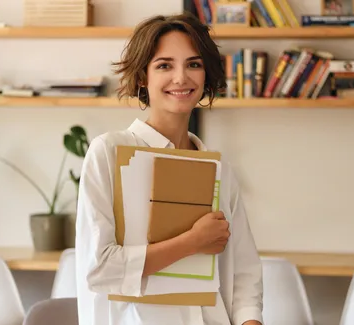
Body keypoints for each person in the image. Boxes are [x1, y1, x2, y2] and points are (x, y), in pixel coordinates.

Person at [75, 12, 263, 325]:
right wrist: (192, 242)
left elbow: (245, 273)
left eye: (194, 64)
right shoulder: (108, 152)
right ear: (142, 78)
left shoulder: (219, 169)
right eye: (165, 65)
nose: (181, 77)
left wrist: (251, 321)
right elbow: (99, 268)